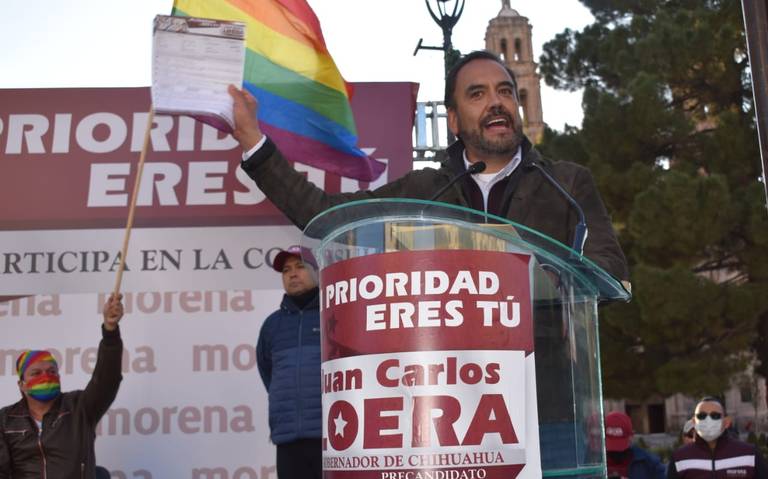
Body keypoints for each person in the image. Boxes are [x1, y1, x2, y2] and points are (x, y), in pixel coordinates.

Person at [227, 50, 630, 284]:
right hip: (450, 394)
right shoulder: (424, 190)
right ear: (453, 120)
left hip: (550, 401)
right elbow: (324, 216)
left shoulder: (566, 183)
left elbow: (609, 269)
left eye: (505, 92)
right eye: (478, 94)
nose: (497, 102)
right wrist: (251, 140)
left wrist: (533, 279)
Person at [0, 293, 125, 478]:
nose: (46, 377)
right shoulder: (4, 420)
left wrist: (110, 330)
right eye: (36, 373)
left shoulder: (80, 407)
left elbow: (107, 379)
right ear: (22, 385)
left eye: (52, 371)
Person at [256, 246, 321, 479]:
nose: (292, 274)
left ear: (317, 271)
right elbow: (268, 374)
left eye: (300, 266)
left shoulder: (334, 312)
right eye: (286, 270)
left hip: (332, 437)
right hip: (288, 438)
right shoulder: (272, 325)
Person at [668, 396, 768, 478]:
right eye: (701, 416)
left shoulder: (749, 454)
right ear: (694, 422)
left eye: (715, 416)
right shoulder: (679, 458)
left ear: (726, 422)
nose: (708, 420)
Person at [605, 411, 666, 479]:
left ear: (631, 437)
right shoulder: (595, 466)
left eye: (619, 446)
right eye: (612, 446)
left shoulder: (650, 464)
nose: (616, 451)